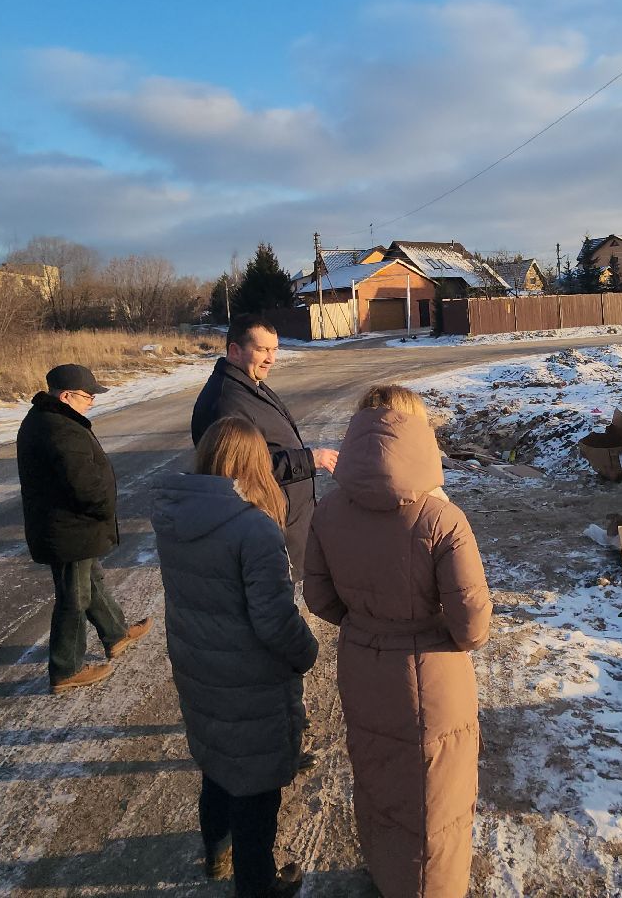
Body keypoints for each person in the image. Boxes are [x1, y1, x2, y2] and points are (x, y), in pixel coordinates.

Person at [305, 385, 491, 898]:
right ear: (418, 435)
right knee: (436, 801)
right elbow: (472, 626)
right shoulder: (441, 520)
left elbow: (318, 596)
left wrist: (368, 625)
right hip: (432, 677)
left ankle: (388, 875)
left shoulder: (330, 511)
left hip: (363, 667)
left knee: (378, 778)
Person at [154, 416, 318, 898]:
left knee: (218, 764)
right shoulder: (253, 530)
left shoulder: (175, 515)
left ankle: (215, 850)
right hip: (249, 681)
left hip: (200, 668)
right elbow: (274, 622)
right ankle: (257, 886)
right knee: (256, 793)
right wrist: (306, 652)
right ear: (255, 464)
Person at [15, 363, 150, 693]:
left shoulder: (49, 420)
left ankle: (116, 633)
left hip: (69, 527)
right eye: (88, 396)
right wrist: (105, 508)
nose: (92, 402)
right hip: (69, 529)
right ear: (66, 396)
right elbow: (83, 485)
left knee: (91, 581)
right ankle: (66, 669)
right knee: (74, 598)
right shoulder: (59, 429)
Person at [190, 314, 338, 573]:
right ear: (235, 350)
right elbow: (237, 472)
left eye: (275, 349)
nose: (271, 358)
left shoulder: (250, 385)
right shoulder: (227, 402)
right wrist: (308, 460)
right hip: (265, 530)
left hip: (283, 523)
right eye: (262, 350)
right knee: (273, 605)